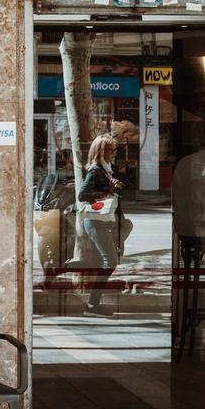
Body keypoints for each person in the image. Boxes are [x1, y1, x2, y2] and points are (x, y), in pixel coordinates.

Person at [77, 134, 132, 317]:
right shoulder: (95, 170)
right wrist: (109, 189)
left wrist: (113, 186)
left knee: (104, 261)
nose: (115, 153)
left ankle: (93, 305)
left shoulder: (105, 169)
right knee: (110, 261)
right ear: (103, 151)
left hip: (102, 222)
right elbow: (82, 195)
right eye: (112, 150)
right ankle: (92, 306)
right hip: (95, 221)